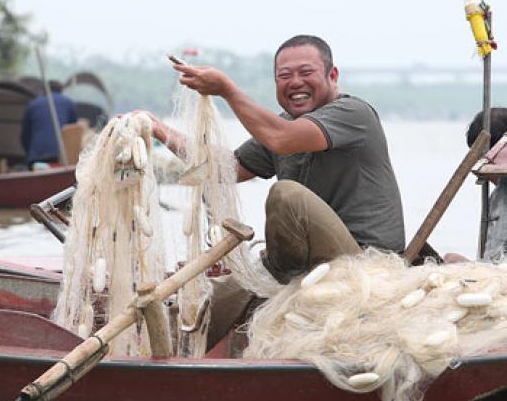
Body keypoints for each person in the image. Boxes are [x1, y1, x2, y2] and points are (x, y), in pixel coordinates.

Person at [149, 35, 406, 347]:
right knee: (207, 306)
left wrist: (227, 91)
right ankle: (171, 365)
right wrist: (158, 129)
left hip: (364, 262)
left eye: (306, 72)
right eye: (284, 76)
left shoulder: (353, 114)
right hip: (299, 263)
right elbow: (222, 169)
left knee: (286, 195)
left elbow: (281, 138)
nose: (295, 82)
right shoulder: (282, 126)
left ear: (332, 75)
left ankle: (276, 280)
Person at [466, 108, 507, 262]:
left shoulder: (504, 196)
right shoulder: (499, 193)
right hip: (494, 266)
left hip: (500, 272)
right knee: (452, 258)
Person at [20, 80, 78, 169]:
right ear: (61, 90)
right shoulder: (69, 103)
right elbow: (72, 131)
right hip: (61, 156)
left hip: (36, 156)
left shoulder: (32, 104)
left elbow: (25, 135)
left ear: (44, 90)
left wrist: (30, 154)